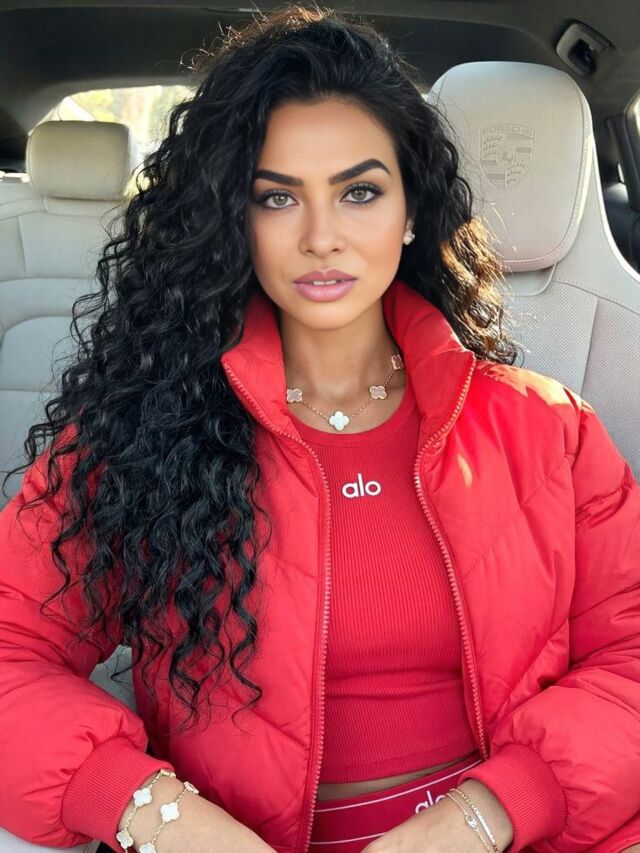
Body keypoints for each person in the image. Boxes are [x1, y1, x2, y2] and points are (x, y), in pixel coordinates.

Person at [0, 3, 639, 852]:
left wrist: (486, 814)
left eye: (360, 191)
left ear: (411, 211)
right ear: (234, 219)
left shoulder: (549, 429)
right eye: (277, 197)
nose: (321, 236)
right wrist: (157, 814)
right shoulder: (140, 435)